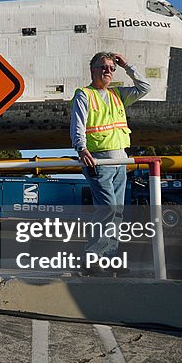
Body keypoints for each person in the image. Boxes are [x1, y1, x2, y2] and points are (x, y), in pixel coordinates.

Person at [70, 51, 150, 262]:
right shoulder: (84, 94)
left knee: (117, 212)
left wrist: (127, 65)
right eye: (103, 67)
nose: (108, 71)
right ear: (92, 70)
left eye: (111, 68)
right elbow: (77, 123)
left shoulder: (118, 94)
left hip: (120, 160)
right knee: (107, 209)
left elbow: (145, 87)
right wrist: (81, 148)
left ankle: (109, 256)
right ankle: (92, 257)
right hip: (98, 160)